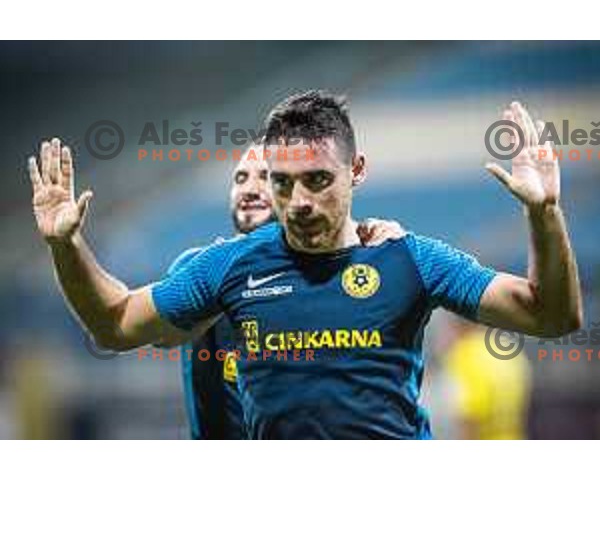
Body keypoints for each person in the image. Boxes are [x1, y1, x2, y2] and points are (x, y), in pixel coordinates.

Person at [29, 91, 583, 439]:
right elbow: (116, 322)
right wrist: (65, 245)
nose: (299, 202)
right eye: (282, 183)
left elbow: (551, 317)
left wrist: (544, 214)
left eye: (318, 180)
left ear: (356, 170)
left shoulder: (410, 257)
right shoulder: (228, 267)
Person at [178, 148, 404, 438]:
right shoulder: (202, 269)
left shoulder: (331, 272)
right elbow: (149, 333)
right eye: (240, 178)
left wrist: (386, 243)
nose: (249, 189)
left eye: (266, 177)